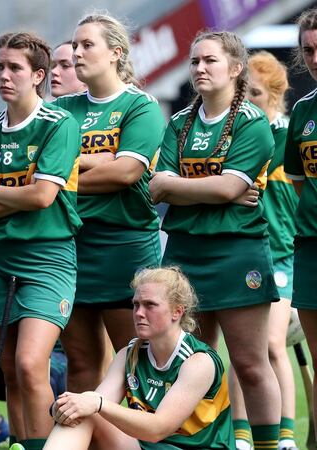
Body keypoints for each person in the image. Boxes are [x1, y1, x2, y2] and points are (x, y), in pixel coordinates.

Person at [150, 30, 281, 449]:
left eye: (210, 60)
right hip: (185, 254)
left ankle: (268, 444)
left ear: (235, 68)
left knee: (249, 362)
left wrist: (182, 185)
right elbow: (156, 186)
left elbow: (222, 189)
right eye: (194, 62)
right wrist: (215, 186)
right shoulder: (177, 122)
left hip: (236, 253)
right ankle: (199, 443)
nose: (200, 68)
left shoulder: (251, 122)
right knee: (191, 361)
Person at [0, 32, 81, 450]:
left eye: (15, 68)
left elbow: (44, 196)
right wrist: (14, 196)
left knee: (31, 365)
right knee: (10, 371)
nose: (4, 75)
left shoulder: (59, 124)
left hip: (48, 258)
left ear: (38, 76)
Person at [53, 13, 166, 394]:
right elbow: (40, 169)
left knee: (135, 360)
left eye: (87, 45)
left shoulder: (141, 105)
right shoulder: (64, 110)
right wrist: (102, 161)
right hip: (72, 246)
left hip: (125, 245)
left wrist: (62, 179)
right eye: (75, 45)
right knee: (81, 362)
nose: (77, 53)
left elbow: (126, 173)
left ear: (116, 53)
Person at [44, 267, 232, 450]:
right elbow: (94, 403)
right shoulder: (129, 354)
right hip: (147, 446)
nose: (139, 313)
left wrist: (96, 404)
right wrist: (65, 408)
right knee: (85, 415)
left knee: (92, 408)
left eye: (150, 305)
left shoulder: (198, 361)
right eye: (136, 304)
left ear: (177, 311)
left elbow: (158, 429)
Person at [229, 51, 298, 450]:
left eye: (255, 92)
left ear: (274, 95)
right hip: (244, 251)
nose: (247, 99)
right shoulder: (236, 134)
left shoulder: (290, 136)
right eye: (244, 91)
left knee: (270, 346)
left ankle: (284, 435)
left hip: (282, 254)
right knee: (242, 350)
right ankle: (240, 436)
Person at [284, 6, 317, 436]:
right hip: (311, 247)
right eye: (308, 50)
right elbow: (298, 181)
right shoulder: (303, 112)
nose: (315, 57)